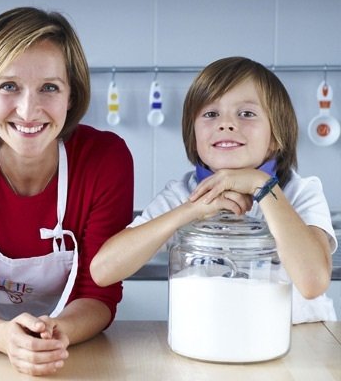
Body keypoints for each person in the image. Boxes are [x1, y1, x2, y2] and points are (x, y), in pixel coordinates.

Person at [0, 7, 133, 376]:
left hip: (69, 348)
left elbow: (98, 292)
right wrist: (6, 337)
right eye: (9, 86)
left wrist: (54, 336)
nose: (28, 110)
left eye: (49, 88)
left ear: (71, 96)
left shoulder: (106, 158)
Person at [91, 56, 337, 324]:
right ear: (193, 136)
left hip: (298, 344)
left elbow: (313, 283)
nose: (226, 124)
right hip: (209, 340)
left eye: (247, 113)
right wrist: (192, 209)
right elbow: (104, 271)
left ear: (275, 138)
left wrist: (261, 185)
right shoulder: (182, 195)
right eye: (211, 114)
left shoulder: (301, 192)